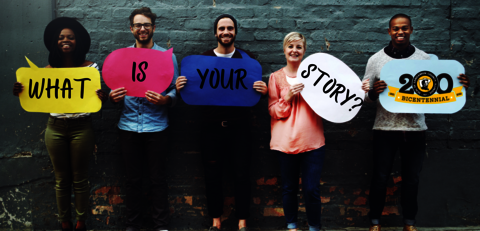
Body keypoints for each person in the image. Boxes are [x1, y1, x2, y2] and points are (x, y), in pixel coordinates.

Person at [362, 13, 470, 231]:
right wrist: (373, 92)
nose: (400, 32)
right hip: (385, 128)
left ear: (411, 30)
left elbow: (439, 90)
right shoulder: (375, 60)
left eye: (404, 28)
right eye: (395, 28)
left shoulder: (424, 59)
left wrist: (459, 87)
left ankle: (409, 223)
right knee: (380, 177)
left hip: (415, 129)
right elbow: (363, 96)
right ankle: (375, 222)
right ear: (389, 31)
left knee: (412, 179)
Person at [175, 14, 267, 231]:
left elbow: (253, 94)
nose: (226, 32)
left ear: (235, 31)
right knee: (212, 174)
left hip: (240, 129)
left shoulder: (248, 61)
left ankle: (242, 221)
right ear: (215, 32)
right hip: (211, 128)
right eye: (222, 28)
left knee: (242, 174)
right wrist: (181, 87)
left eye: (230, 28)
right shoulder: (203, 60)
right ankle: (216, 221)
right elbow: (193, 93)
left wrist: (263, 92)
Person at [13, 17, 106, 231]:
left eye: (70, 37)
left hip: (81, 126)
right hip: (55, 127)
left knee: (80, 178)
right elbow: (34, 94)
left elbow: (95, 97)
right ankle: (65, 223)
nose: (65, 40)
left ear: (77, 41)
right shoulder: (46, 72)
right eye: (61, 37)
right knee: (61, 179)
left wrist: (103, 96)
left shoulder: (90, 68)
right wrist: (20, 91)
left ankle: (81, 224)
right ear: (55, 42)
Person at [108, 7, 179, 231]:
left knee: (158, 180)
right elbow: (113, 91)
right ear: (131, 29)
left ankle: (161, 226)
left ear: (153, 28)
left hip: (157, 127)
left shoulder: (167, 57)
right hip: (128, 127)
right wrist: (113, 97)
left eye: (146, 25)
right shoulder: (122, 57)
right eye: (138, 25)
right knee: (132, 181)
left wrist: (165, 100)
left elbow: (175, 92)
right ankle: (132, 226)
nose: (142, 29)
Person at [267, 32, 326, 231]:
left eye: (299, 47)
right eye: (290, 46)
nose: (294, 50)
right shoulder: (275, 77)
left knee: (312, 190)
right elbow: (273, 111)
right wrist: (288, 97)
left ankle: (314, 227)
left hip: (313, 142)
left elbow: (330, 104)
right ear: (284, 50)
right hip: (285, 143)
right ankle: (292, 227)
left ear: (304, 50)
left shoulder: (317, 77)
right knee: (289, 188)